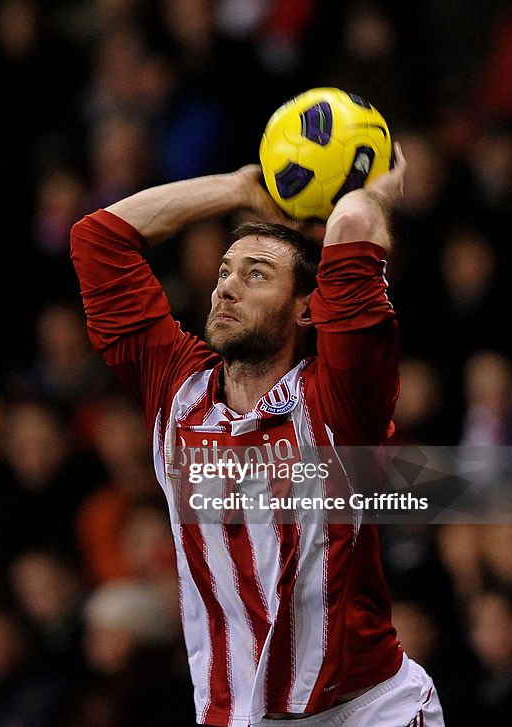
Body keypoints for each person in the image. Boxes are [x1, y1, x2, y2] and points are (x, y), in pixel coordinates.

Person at [70, 145, 445, 726]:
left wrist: (369, 192)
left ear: (305, 310)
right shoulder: (176, 386)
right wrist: (239, 187)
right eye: (225, 271)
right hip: (234, 714)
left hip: (366, 712)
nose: (226, 288)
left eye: (256, 275)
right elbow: (100, 238)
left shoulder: (339, 399)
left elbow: (350, 229)